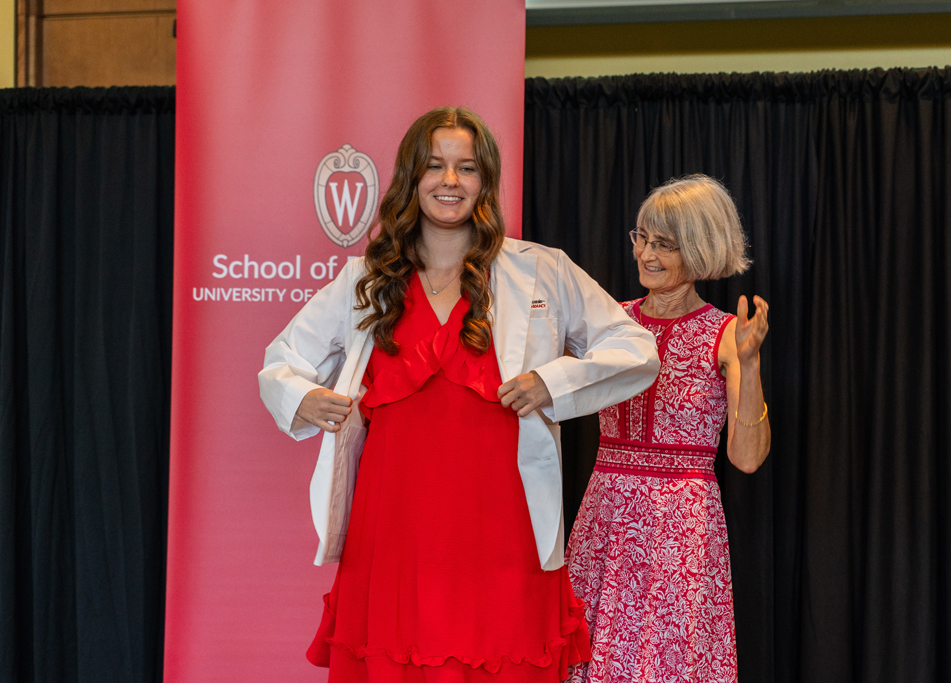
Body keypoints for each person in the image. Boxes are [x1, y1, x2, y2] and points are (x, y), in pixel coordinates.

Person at [258, 106, 660, 683]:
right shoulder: (365, 278)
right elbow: (281, 363)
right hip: (393, 530)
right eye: (435, 166)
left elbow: (635, 348)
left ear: (485, 180)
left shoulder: (540, 270)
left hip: (504, 525)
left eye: (466, 168)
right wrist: (303, 399)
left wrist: (553, 383)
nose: (450, 181)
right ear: (410, 178)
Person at [565, 175, 771, 683]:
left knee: (670, 663)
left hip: (679, 529)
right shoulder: (609, 322)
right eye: (641, 238)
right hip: (606, 517)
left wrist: (750, 362)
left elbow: (746, 457)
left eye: (664, 244)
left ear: (699, 251)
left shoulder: (725, 334)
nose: (646, 255)